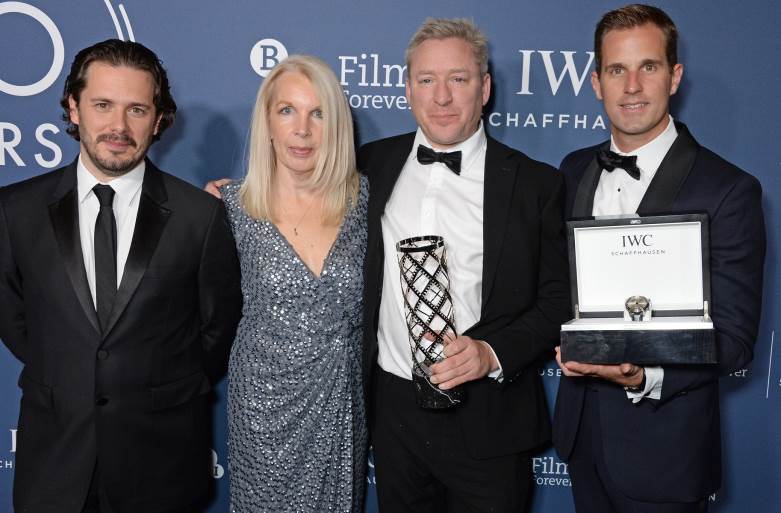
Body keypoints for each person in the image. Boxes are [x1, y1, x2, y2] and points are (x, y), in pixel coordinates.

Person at [0, 39, 243, 513]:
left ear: (159, 119)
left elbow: (216, 332)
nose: (118, 126)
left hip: (161, 464)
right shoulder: (15, 211)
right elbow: (15, 320)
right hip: (54, 460)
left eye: (137, 109)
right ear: (74, 108)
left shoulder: (200, 217)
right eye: (102, 105)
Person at [552, 5, 766, 513]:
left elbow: (735, 341)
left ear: (674, 76)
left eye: (647, 67)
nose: (632, 86)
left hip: (667, 455)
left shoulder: (728, 190)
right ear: (596, 82)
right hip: (583, 441)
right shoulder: (573, 170)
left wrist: (643, 375)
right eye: (616, 70)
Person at [358, 18, 570, 513]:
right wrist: (229, 198)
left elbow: (559, 299)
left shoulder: (536, 184)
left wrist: (491, 353)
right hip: (393, 416)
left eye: (458, 78)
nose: (442, 97)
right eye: (427, 80)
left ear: (485, 88)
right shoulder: (369, 164)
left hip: (490, 420)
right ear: (408, 89)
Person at [215, 55, 367, 512]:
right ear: (267, 122)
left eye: (318, 113)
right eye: (287, 111)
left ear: (336, 125)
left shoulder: (366, 201)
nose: (302, 129)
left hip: (341, 404)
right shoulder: (228, 207)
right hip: (262, 410)